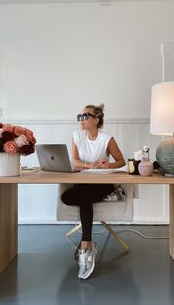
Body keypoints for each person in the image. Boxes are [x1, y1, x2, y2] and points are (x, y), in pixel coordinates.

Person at [61, 104, 125, 279]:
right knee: (66, 197)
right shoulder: (77, 136)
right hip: (83, 182)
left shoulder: (107, 138)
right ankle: (112, 197)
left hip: (102, 182)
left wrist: (108, 164)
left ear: (96, 120)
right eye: (80, 116)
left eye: (85, 116)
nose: (81, 119)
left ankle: (87, 245)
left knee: (83, 197)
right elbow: (74, 161)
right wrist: (89, 165)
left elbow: (121, 161)